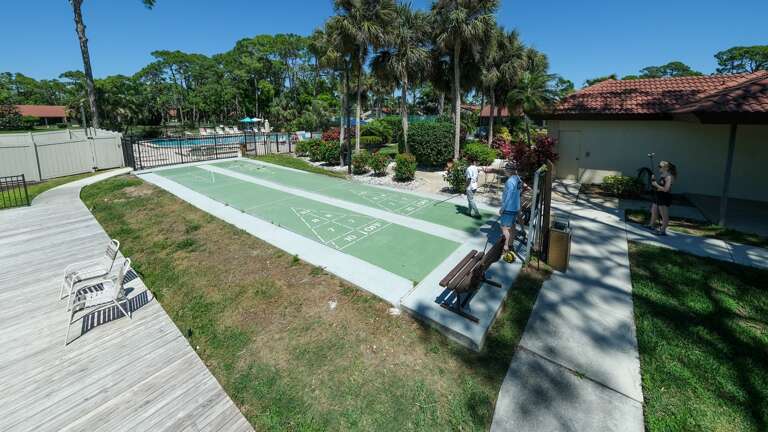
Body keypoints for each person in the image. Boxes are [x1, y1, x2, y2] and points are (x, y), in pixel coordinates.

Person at [499, 164, 524, 255]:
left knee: (504, 228)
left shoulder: (510, 181)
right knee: (512, 227)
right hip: (515, 207)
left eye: (505, 169)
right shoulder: (518, 179)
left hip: (508, 208)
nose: (504, 171)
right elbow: (520, 190)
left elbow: (508, 196)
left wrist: (503, 208)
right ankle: (510, 245)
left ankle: (505, 248)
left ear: (508, 170)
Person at [647, 160, 677, 235]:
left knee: (664, 215)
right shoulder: (663, 175)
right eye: (659, 166)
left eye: (660, 166)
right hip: (658, 195)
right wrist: (653, 181)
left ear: (666, 168)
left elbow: (666, 189)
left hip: (664, 196)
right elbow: (660, 186)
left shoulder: (669, 177)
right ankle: (651, 225)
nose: (659, 167)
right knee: (653, 210)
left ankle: (663, 231)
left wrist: (656, 184)